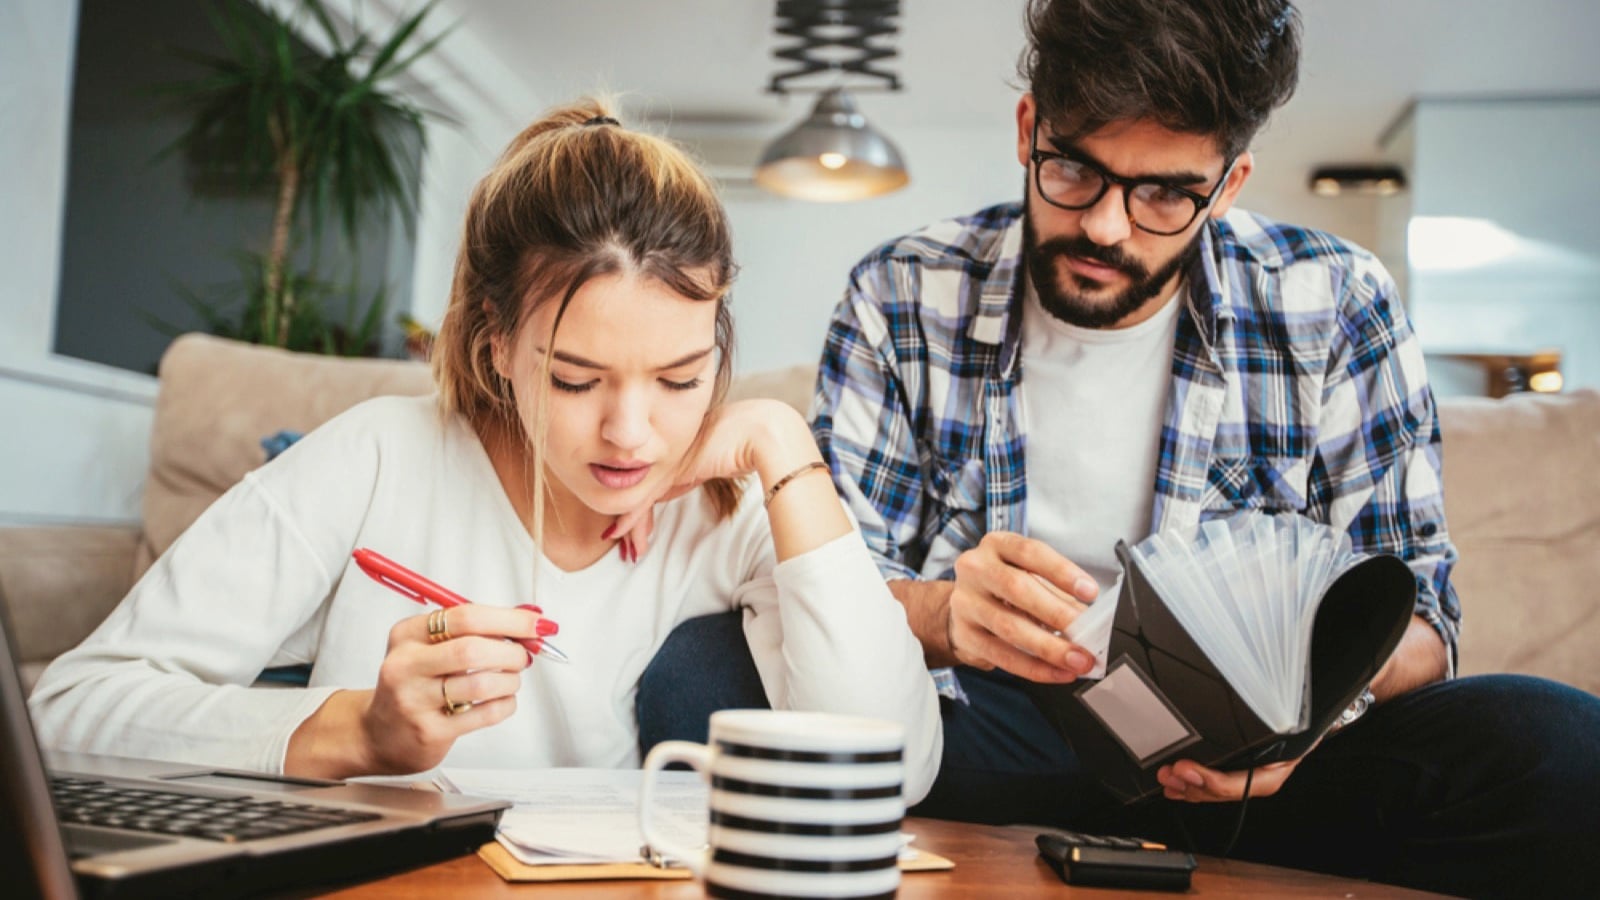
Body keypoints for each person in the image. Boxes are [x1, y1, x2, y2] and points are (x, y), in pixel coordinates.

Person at [805, 1, 1600, 897]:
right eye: (1074, 170)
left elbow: (1427, 624)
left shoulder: (1336, 301)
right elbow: (831, 582)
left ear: (1227, 184)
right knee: (702, 675)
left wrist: (1308, 718)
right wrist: (945, 616)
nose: (1107, 227)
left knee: (1564, 752)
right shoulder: (902, 291)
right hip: (989, 730)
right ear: (1030, 130)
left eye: (1164, 194)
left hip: (1264, 768)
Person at [27, 99, 941, 803]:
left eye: (678, 377)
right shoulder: (381, 457)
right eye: (577, 380)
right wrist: (357, 733)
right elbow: (66, 711)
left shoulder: (734, 505)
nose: (632, 434)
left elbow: (890, 768)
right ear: (497, 345)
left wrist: (785, 447)